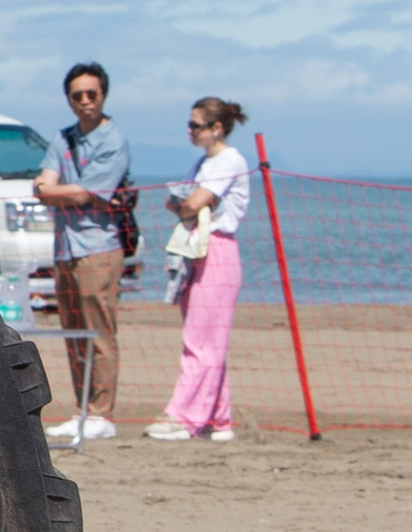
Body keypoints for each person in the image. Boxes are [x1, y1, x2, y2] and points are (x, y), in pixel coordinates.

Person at [33, 62, 131, 440]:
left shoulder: (113, 140)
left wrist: (55, 191)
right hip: (65, 248)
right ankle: (83, 409)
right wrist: (58, 191)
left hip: (98, 247)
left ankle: (102, 413)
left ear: (104, 95)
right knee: (73, 331)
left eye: (92, 94)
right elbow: (46, 186)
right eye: (78, 95)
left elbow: (82, 192)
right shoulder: (63, 139)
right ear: (69, 99)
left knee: (99, 331)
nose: (85, 101)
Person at [149, 99, 252, 443]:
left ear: (216, 128)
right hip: (195, 247)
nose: (190, 131)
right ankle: (218, 418)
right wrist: (185, 204)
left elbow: (191, 202)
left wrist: (186, 204)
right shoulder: (203, 162)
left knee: (202, 339)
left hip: (216, 249)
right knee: (206, 337)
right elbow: (181, 203)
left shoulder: (230, 160)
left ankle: (184, 416)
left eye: (196, 125)